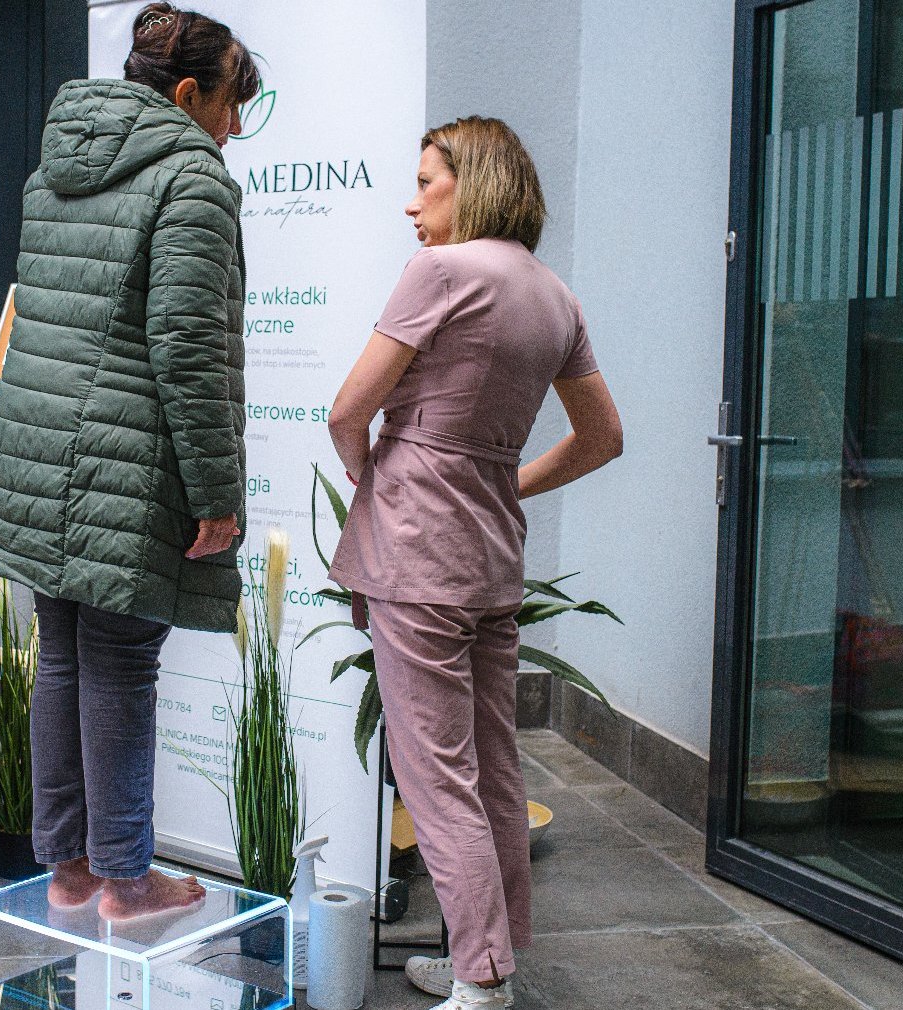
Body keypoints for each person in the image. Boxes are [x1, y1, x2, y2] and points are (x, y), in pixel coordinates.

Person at [327, 117, 623, 1010]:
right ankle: (484, 954)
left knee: (433, 772)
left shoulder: (443, 271)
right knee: (494, 765)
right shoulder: (554, 294)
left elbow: (348, 411)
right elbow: (603, 437)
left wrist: (372, 479)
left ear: (476, 183)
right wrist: (507, 481)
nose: (412, 203)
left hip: (419, 552)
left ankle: (481, 977)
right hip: (491, 554)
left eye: (428, 182)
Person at [0, 3, 260, 921]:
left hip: (38, 449)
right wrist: (217, 493)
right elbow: (185, 345)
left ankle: (71, 872)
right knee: (121, 664)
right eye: (229, 106)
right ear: (186, 95)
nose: (232, 129)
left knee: (61, 656)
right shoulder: (193, 180)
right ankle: (129, 882)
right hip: (123, 462)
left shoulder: (53, 166)